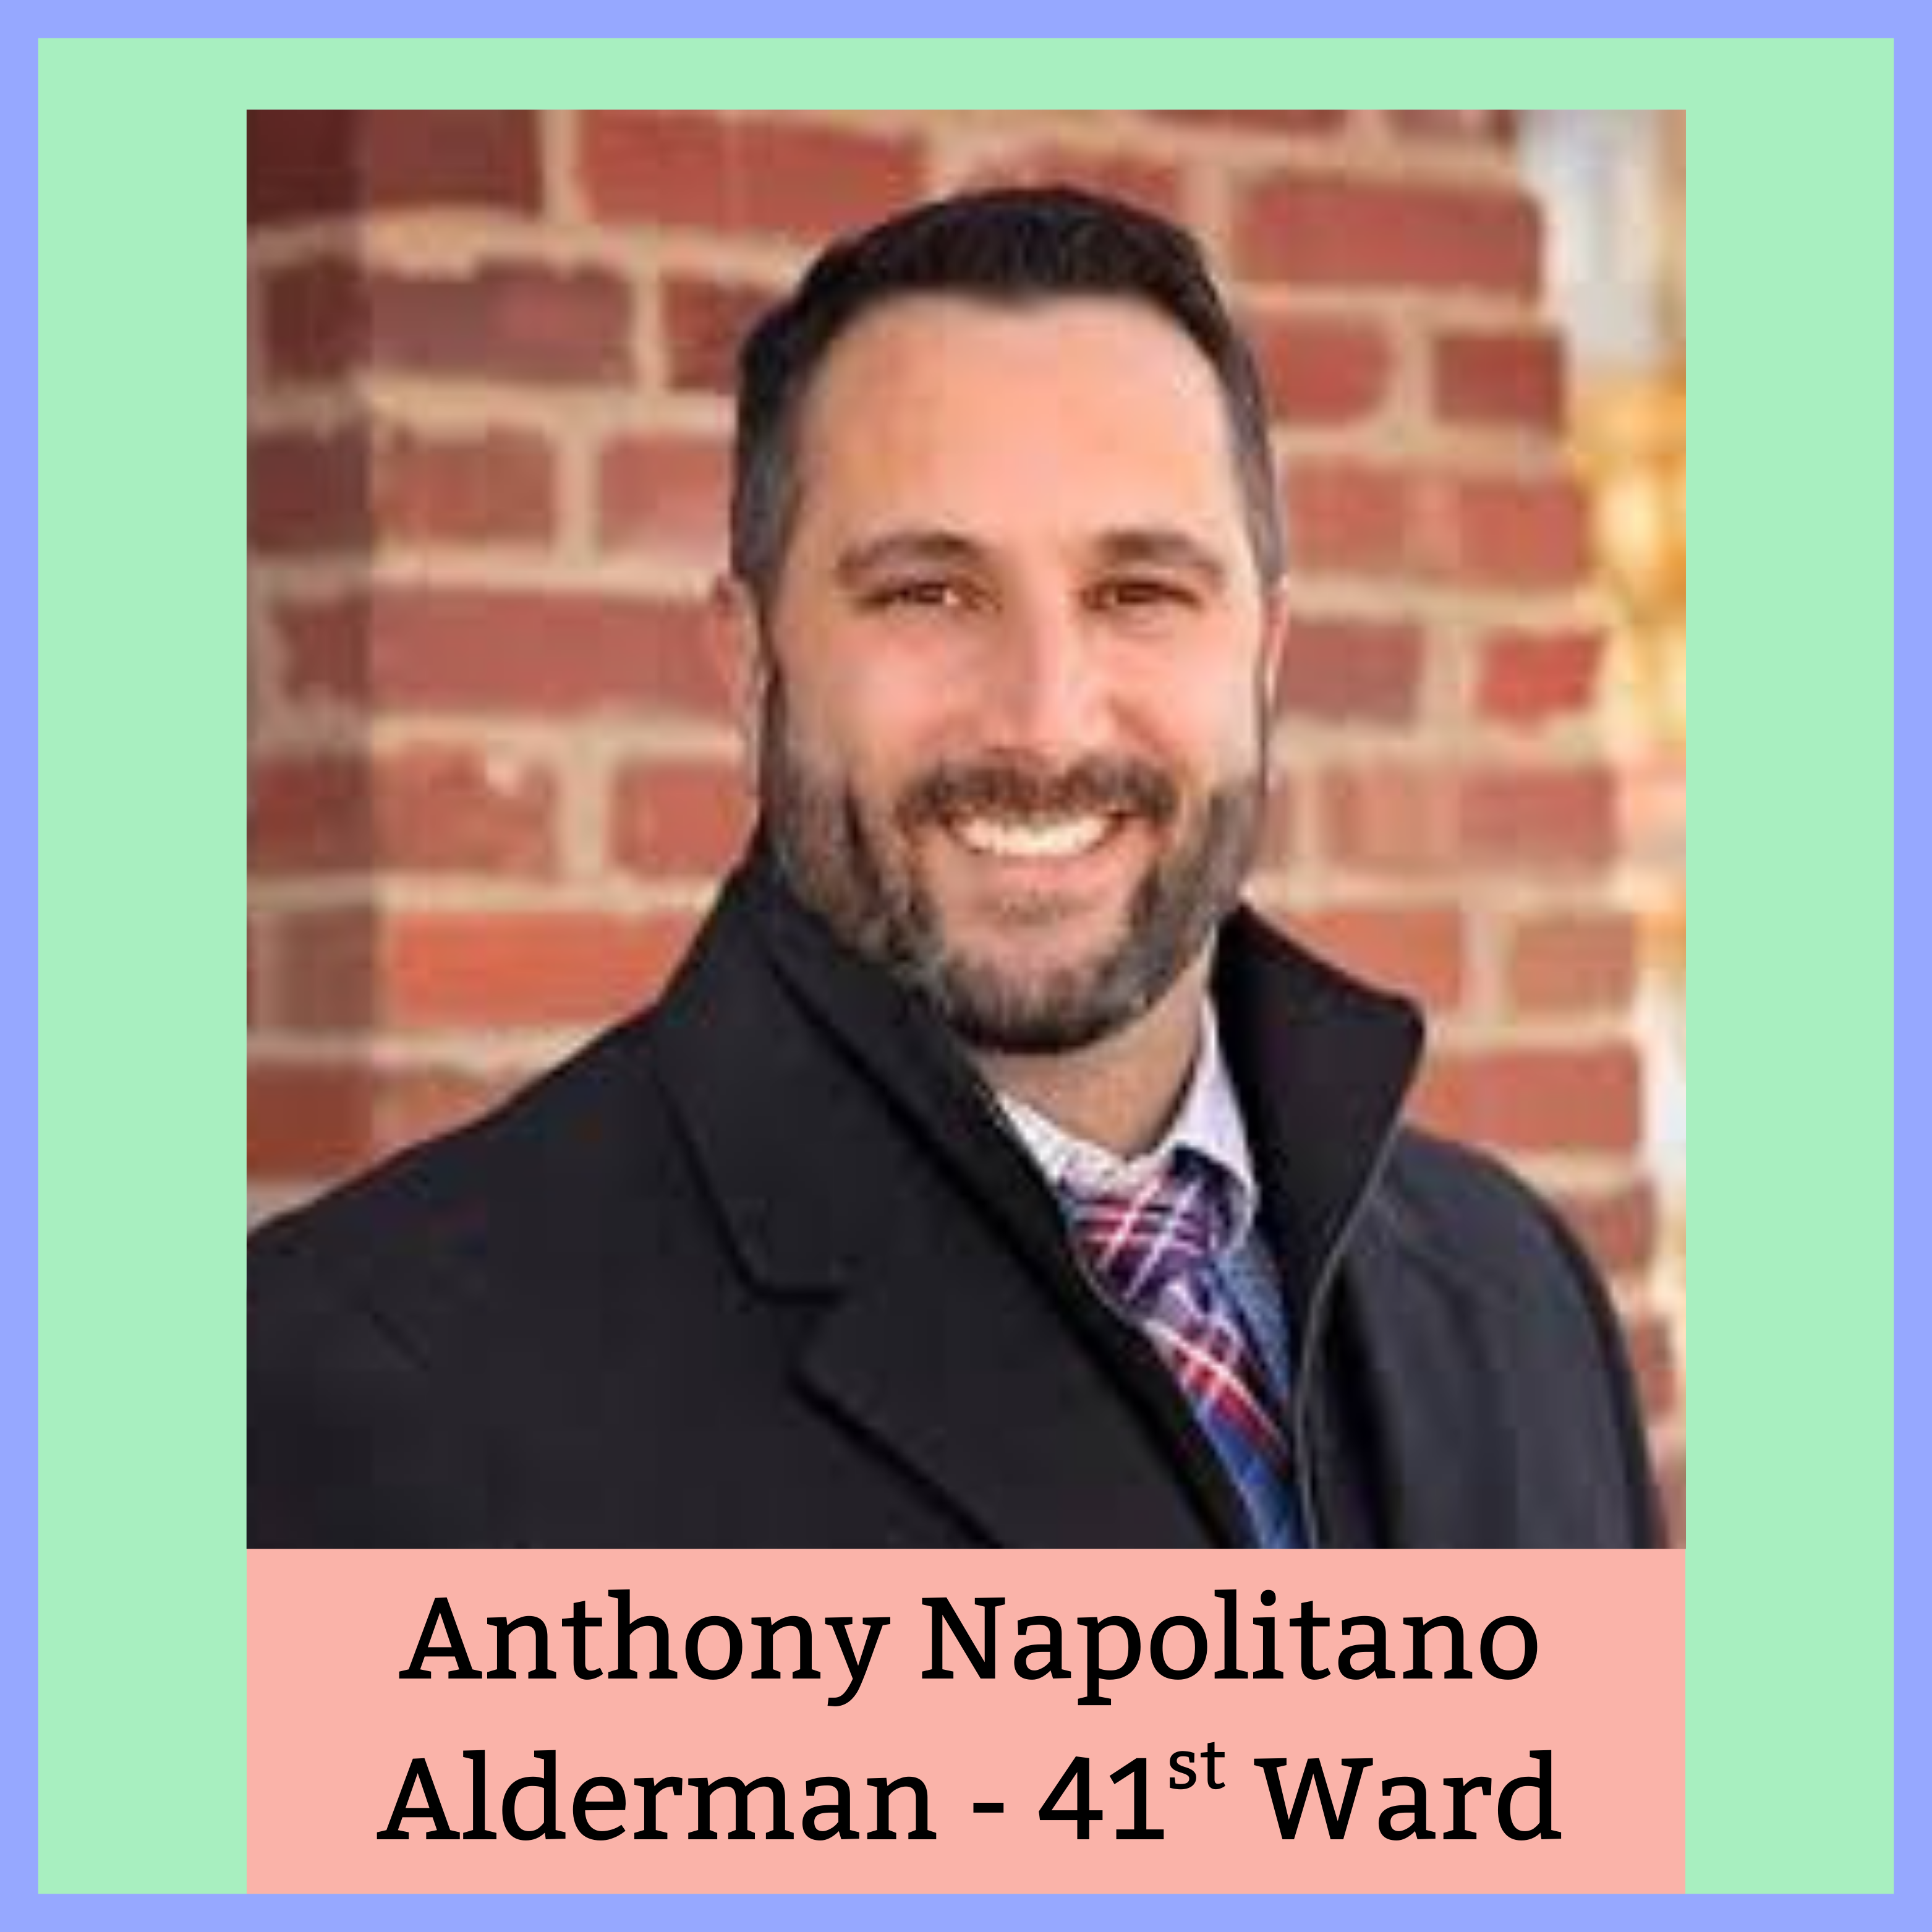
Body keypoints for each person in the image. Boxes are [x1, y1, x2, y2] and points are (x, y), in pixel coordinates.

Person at [248, 187, 1661, 1550]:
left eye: (1138, 593)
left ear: (1263, 653)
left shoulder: (1514, 1295)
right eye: (928, 592)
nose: (1044, 718)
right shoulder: (363, 1380)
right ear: (750, 667)